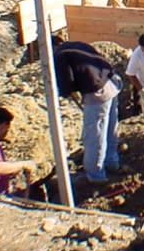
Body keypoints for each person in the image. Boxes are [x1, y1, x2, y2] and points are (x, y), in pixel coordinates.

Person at [52, 39, 122, 184]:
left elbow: (66, 82)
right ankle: (112, 162)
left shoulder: (58, 55)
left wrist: (66, 92)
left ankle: (96, 174)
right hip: (112, 81)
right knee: (109, 127)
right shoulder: (77, 45)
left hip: (98, 90)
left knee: (94, 134)